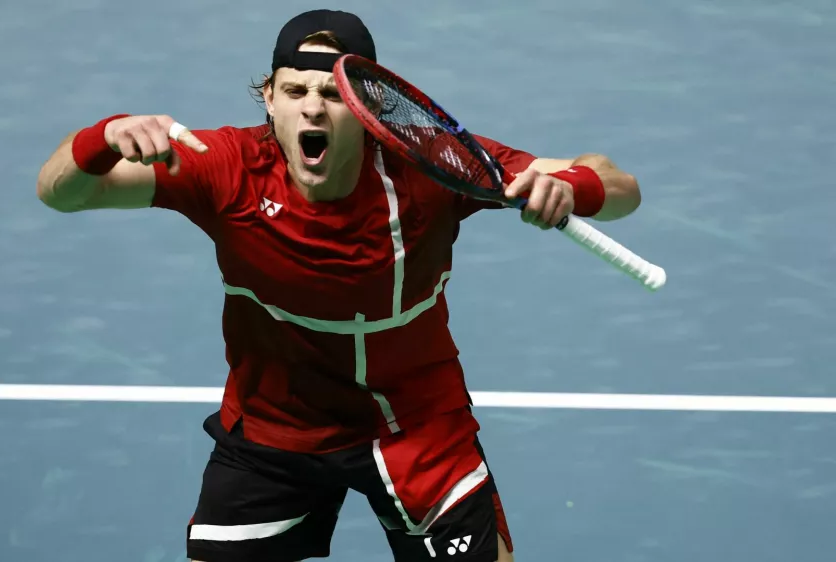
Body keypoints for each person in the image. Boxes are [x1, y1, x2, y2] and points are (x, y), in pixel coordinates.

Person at [36, 9, 641, 562]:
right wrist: (101, 138)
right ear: (268, 99)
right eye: (295, 91)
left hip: (417, 426)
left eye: (332, 94)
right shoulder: (223, 167)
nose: (313, 109)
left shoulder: (432, 168)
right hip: (275, 426)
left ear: (369, 108)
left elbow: (619, 186)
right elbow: (60, 191)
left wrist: (575, 187)